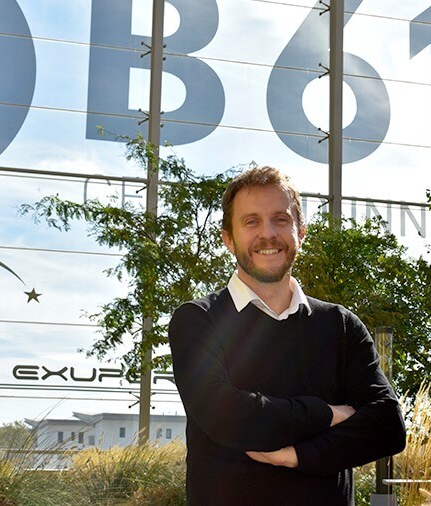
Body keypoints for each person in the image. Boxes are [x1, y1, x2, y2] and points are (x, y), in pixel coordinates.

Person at [168, 166, 406, 505]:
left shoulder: (340, 324)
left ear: (301, 231)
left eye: (280, 219)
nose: (268, 234)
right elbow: (227, 417)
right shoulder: (198, 320)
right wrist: (328, 414)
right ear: (228, 238)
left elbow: (387, 426)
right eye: (251, 222)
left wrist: (296, 455)